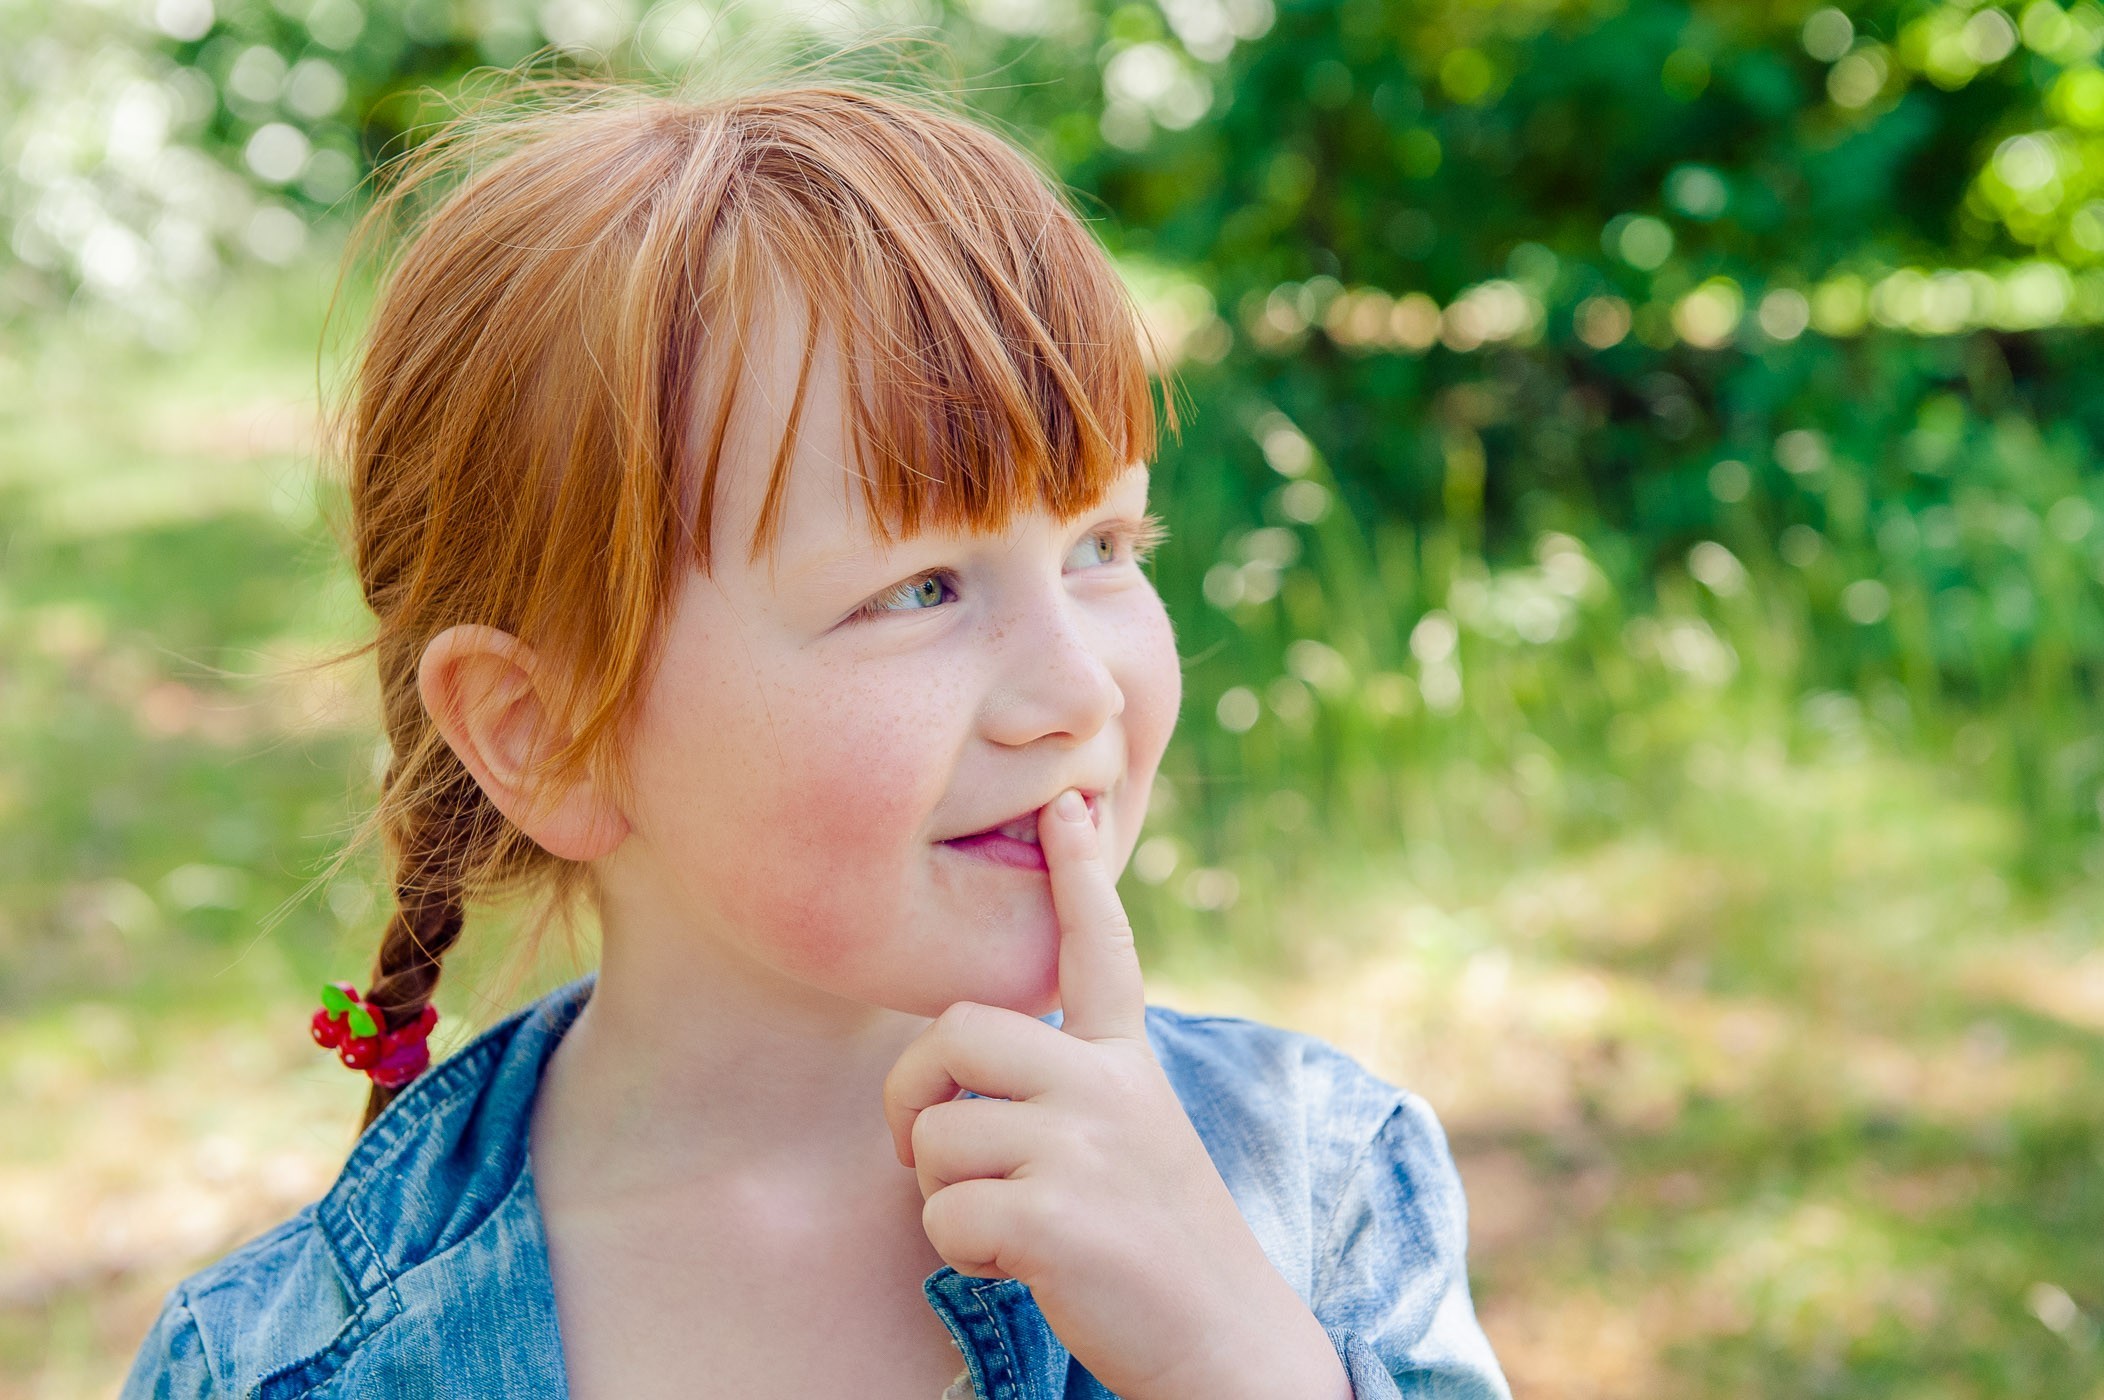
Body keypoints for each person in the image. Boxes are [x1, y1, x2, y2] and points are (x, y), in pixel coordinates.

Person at [117, 72, 1512, 1400]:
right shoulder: (292, 1361)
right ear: (545, 735)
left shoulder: (1319, 1188)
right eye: (919, 589)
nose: (1078, 690)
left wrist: (1235, 1361)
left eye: (1104, 543)